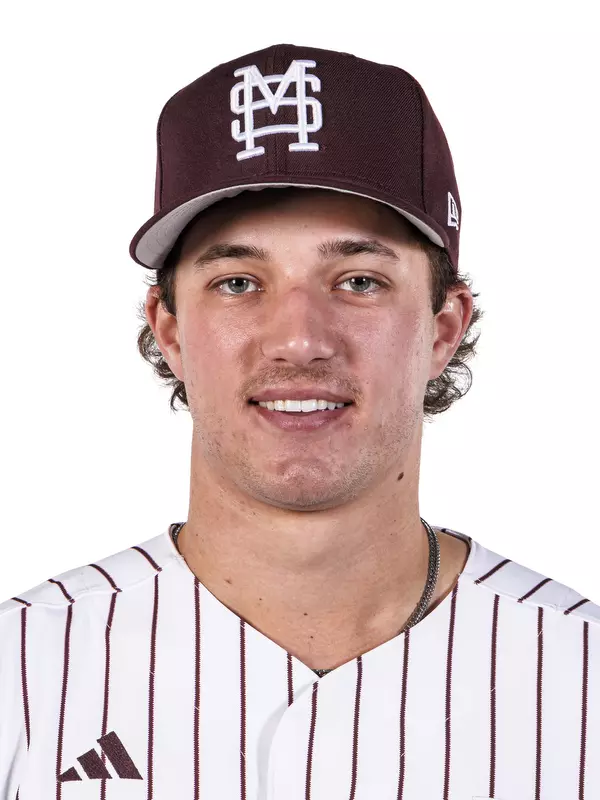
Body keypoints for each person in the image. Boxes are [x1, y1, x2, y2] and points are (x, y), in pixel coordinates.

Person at [1, 43, 598, 800]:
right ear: (172, 329)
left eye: (358, 280)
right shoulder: (22, 670)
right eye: (239, 281)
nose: (299, 339)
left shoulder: (581, 677)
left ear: (443, 329)